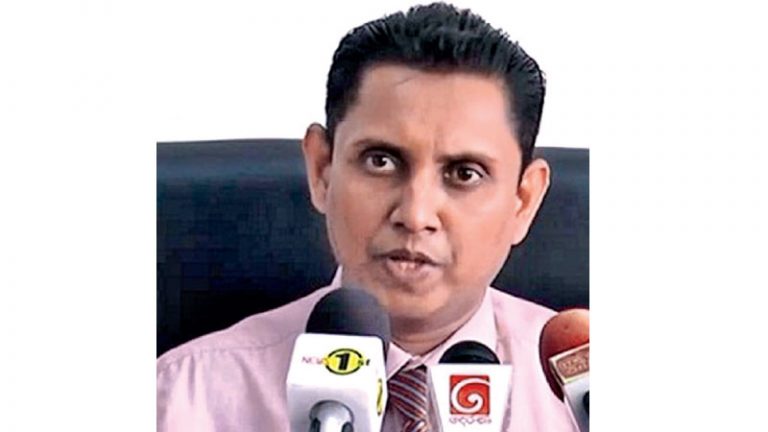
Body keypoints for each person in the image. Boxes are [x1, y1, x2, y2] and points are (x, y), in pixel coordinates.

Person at [157, 3, 574, 431]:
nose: (415, 215)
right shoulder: (184, 400)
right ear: (322, 170)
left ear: (523, 200)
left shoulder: (583, 393)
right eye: (381, 161)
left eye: (464, 173)